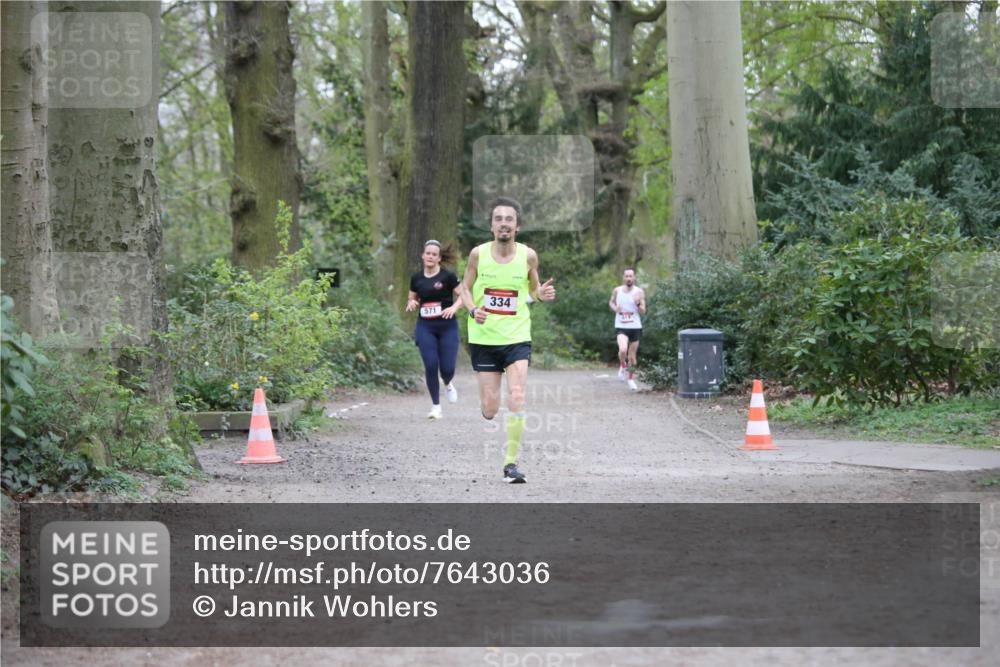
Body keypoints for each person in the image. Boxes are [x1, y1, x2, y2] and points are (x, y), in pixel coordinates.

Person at [460, 197, 555, 483]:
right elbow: (464, 289)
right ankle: (490, 401)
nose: (504, 223)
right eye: (498, 219)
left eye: (509, 219)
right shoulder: (478, 255)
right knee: (490, 409)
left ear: (517, 226)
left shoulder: (528, 256)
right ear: (491, 226)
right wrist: (474, 309)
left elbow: (534, 289)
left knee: (517, 395)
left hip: (517, 337)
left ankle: (510, 464)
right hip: (484, 337)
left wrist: (542, 294)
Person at [406, 240, 463, 419]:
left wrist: (453, 308)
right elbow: (412, 297)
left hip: (447, 327)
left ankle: (447, 382)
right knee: (431, 364)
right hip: (426, 326)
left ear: (439, 258)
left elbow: (463, 296)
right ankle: (436, 406)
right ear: (423, 256)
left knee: (447, 368)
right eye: (427, 253)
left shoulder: (448, 277)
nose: (430, 256)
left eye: (434, 254)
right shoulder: (416, 278)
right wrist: (412, 303)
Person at [609, 268, 646, 391]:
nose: (629, 278)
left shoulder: (639, 292)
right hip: (621, 326)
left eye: (631, 276)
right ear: (623, 277)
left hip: (635, 327)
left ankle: (630, 379)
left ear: (634, 277)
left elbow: (643, 311)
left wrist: (637, 304)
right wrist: (615, 309)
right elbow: (611, 302)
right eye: (627, 276)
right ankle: (622, 365)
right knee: (623, 349)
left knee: (632, 357)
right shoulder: (617, 290)